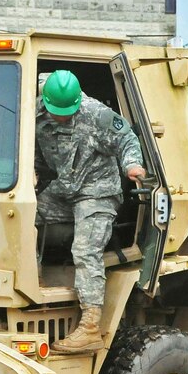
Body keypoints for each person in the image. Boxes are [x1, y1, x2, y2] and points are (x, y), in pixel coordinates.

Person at [35, 70, 146, 354]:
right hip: (64, 188)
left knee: (84, 249)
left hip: (97, 191)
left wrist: (132, 165)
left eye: (67, 112)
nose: (61, 116)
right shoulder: (33, 103)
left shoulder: (96, 114)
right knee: (23, 216)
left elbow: (127, 139)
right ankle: (30, 282)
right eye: (56, 111)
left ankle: (90, 327)